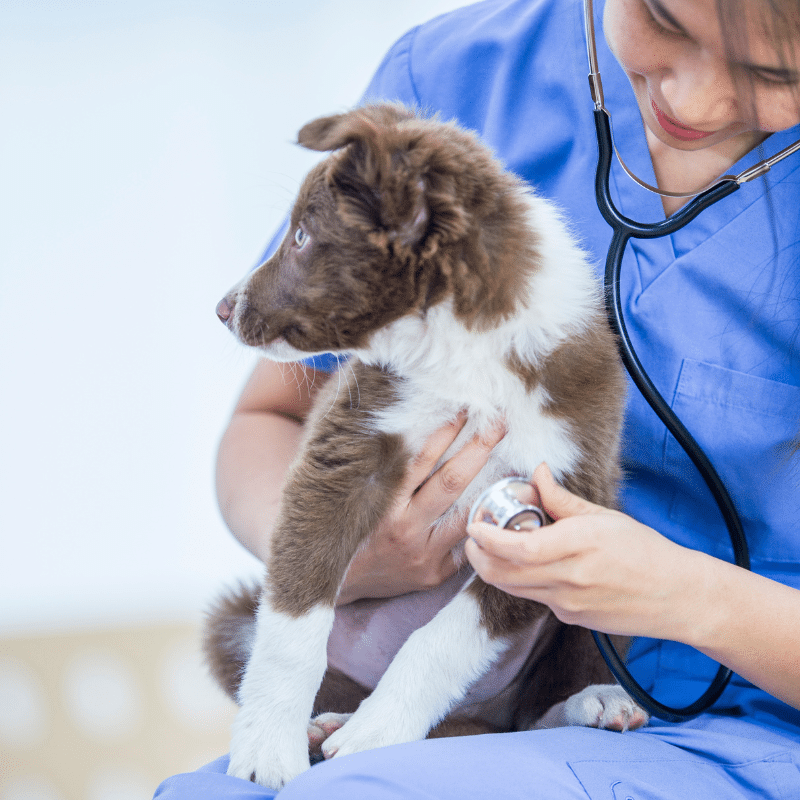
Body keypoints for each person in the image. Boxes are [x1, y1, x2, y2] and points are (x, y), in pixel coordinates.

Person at [154, 0, 800, 796]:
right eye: (663, 20)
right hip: (440, 684)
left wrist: (696, 599)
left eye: (776, 74)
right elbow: (272, 417)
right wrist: (347, 562)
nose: (693, 101)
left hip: (756, 724)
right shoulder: (459, 74)